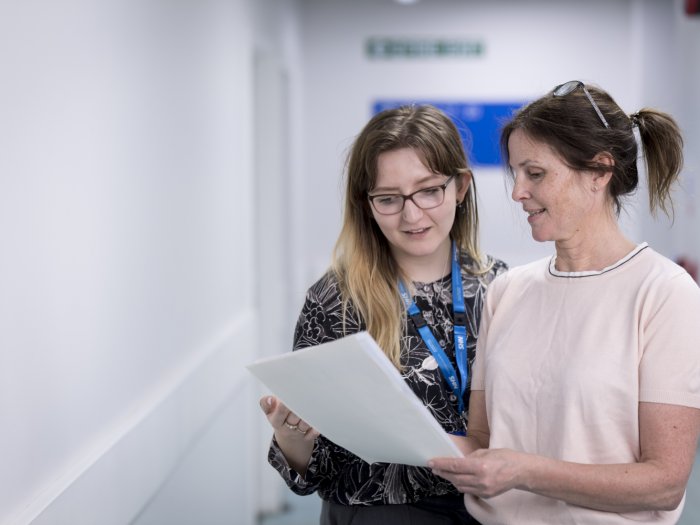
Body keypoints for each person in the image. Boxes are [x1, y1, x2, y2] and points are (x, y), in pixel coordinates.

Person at [428, 80, 700, 524]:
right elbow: (481, 440)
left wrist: (526, 471)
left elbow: (664, 482)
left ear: (599, 171)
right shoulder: (507, 291)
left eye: (535, 173)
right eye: (516, 173)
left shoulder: (664, 293)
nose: (517, 191)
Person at [258, 104, 507, 525]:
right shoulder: (336, 300)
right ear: (366, 204)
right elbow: (314, 470)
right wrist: (290, 436)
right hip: (379, 514)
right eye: (389, 199)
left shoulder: (502, 287)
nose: (412, 216)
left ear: (461, 187)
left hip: (492, 510)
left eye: (429, 190)